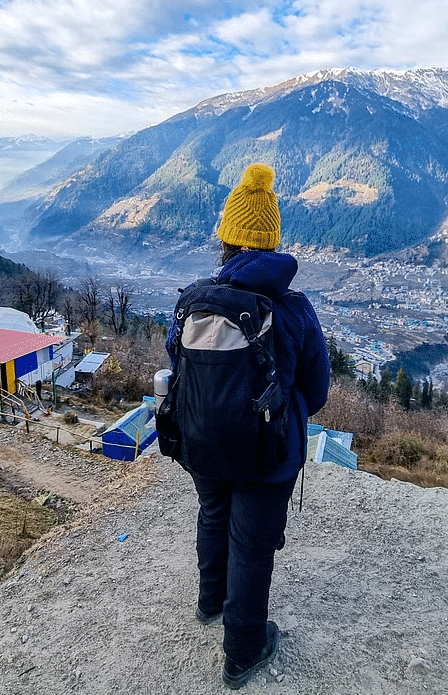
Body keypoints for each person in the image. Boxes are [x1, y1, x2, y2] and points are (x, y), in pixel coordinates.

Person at [165, 162, 330, 689]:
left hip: (202, 440)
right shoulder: (294, 310)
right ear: (273, 242)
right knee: (253, 544)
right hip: (268, 449)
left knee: (213, 514)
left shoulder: (195, 301)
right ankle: (242, 651)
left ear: (227, 242)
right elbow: (318, 390)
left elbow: (180, 367)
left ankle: (210, 603)